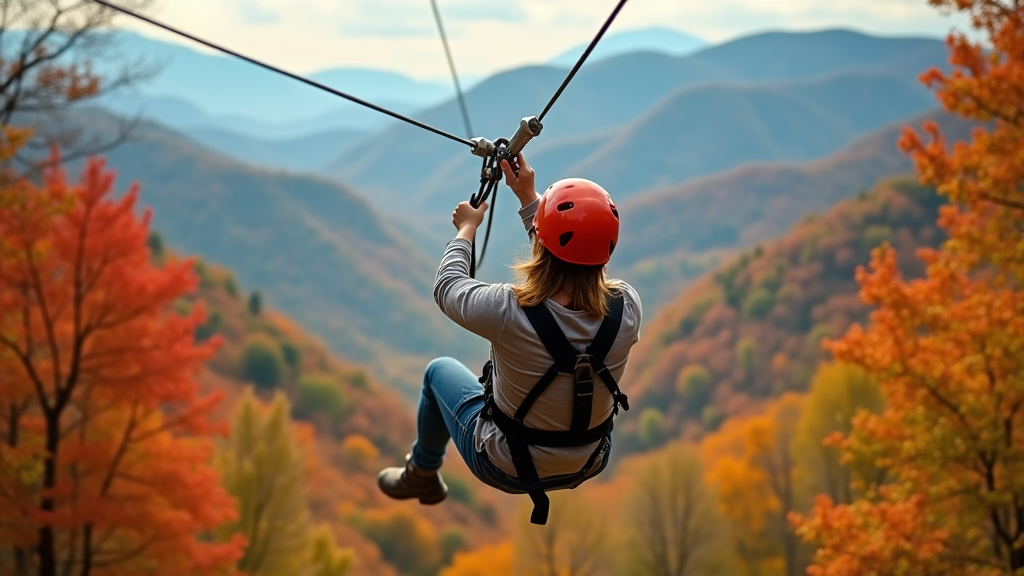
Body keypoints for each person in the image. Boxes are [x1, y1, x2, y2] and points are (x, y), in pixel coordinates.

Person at [377, 153, 642, 525]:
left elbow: (448, 286)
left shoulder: (508, 310)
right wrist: (528, 198)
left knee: (438, 371)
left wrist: (466, 228)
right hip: (589, 458)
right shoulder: (627, 307)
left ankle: (421, 473)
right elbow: (567, 257)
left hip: (506, 464)